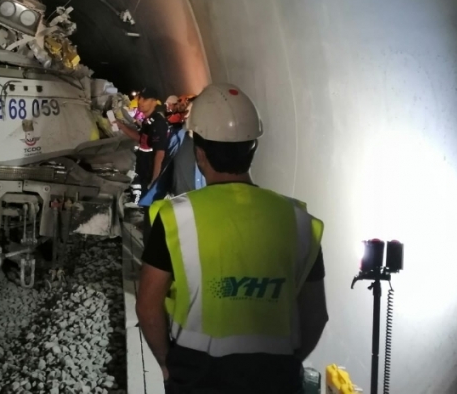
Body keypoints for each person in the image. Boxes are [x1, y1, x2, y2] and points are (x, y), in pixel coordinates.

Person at [136, 84, 328, 394]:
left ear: (199, 152)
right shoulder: (299, 222)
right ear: (253, 148)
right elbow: (316, 315)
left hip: (198, 377)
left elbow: (147, 306)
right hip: (275, 378)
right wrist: (286, 364)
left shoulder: (175, 217)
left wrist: (167, 364)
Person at [116, 87, 170, 232]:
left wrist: (155, 180)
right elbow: (141, 139)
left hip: (151, 177)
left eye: (145, 99)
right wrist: (121, 127)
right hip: (145, 174)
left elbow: (160, 153)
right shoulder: (148, 121)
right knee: (147, 213)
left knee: (152, 216)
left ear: (154, 102)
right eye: (140, 98)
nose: (140, 102)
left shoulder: (158, 123)